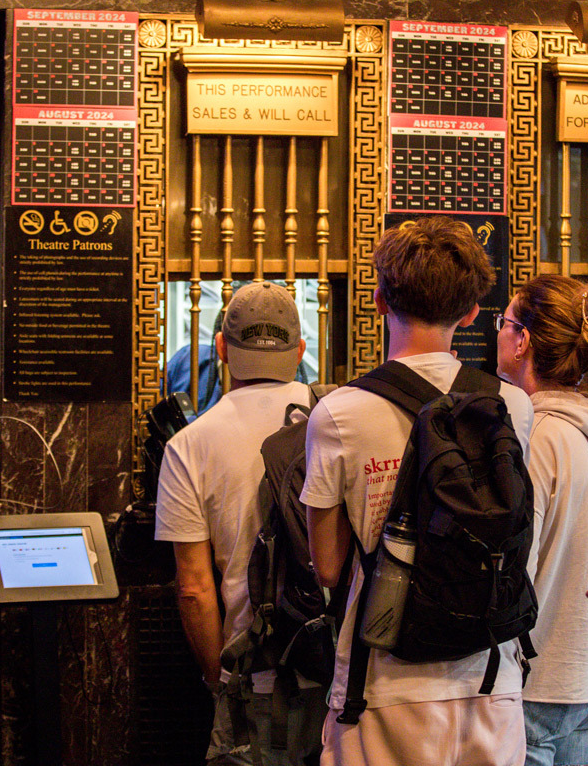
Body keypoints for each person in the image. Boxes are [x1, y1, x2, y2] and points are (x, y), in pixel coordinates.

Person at [301, 215, 535, 766]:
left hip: (383, 682)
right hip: (490, 674)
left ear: (380, 299)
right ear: (473, 311)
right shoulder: (513, 406)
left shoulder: (338, 413)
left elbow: (330, 568)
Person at [155, 281, 325, 766]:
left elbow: (193, 588)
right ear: (301, 349)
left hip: (252, 673)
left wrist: (219, 679)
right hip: (337, 669)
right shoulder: (335, 420)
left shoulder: (190, 444)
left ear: (223, 348)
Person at [495, 274, 588, 766]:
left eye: (503, 323)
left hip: (535, 679)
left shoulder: (540, 435)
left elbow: (517, 568)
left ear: (523, 341)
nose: (498, 333)